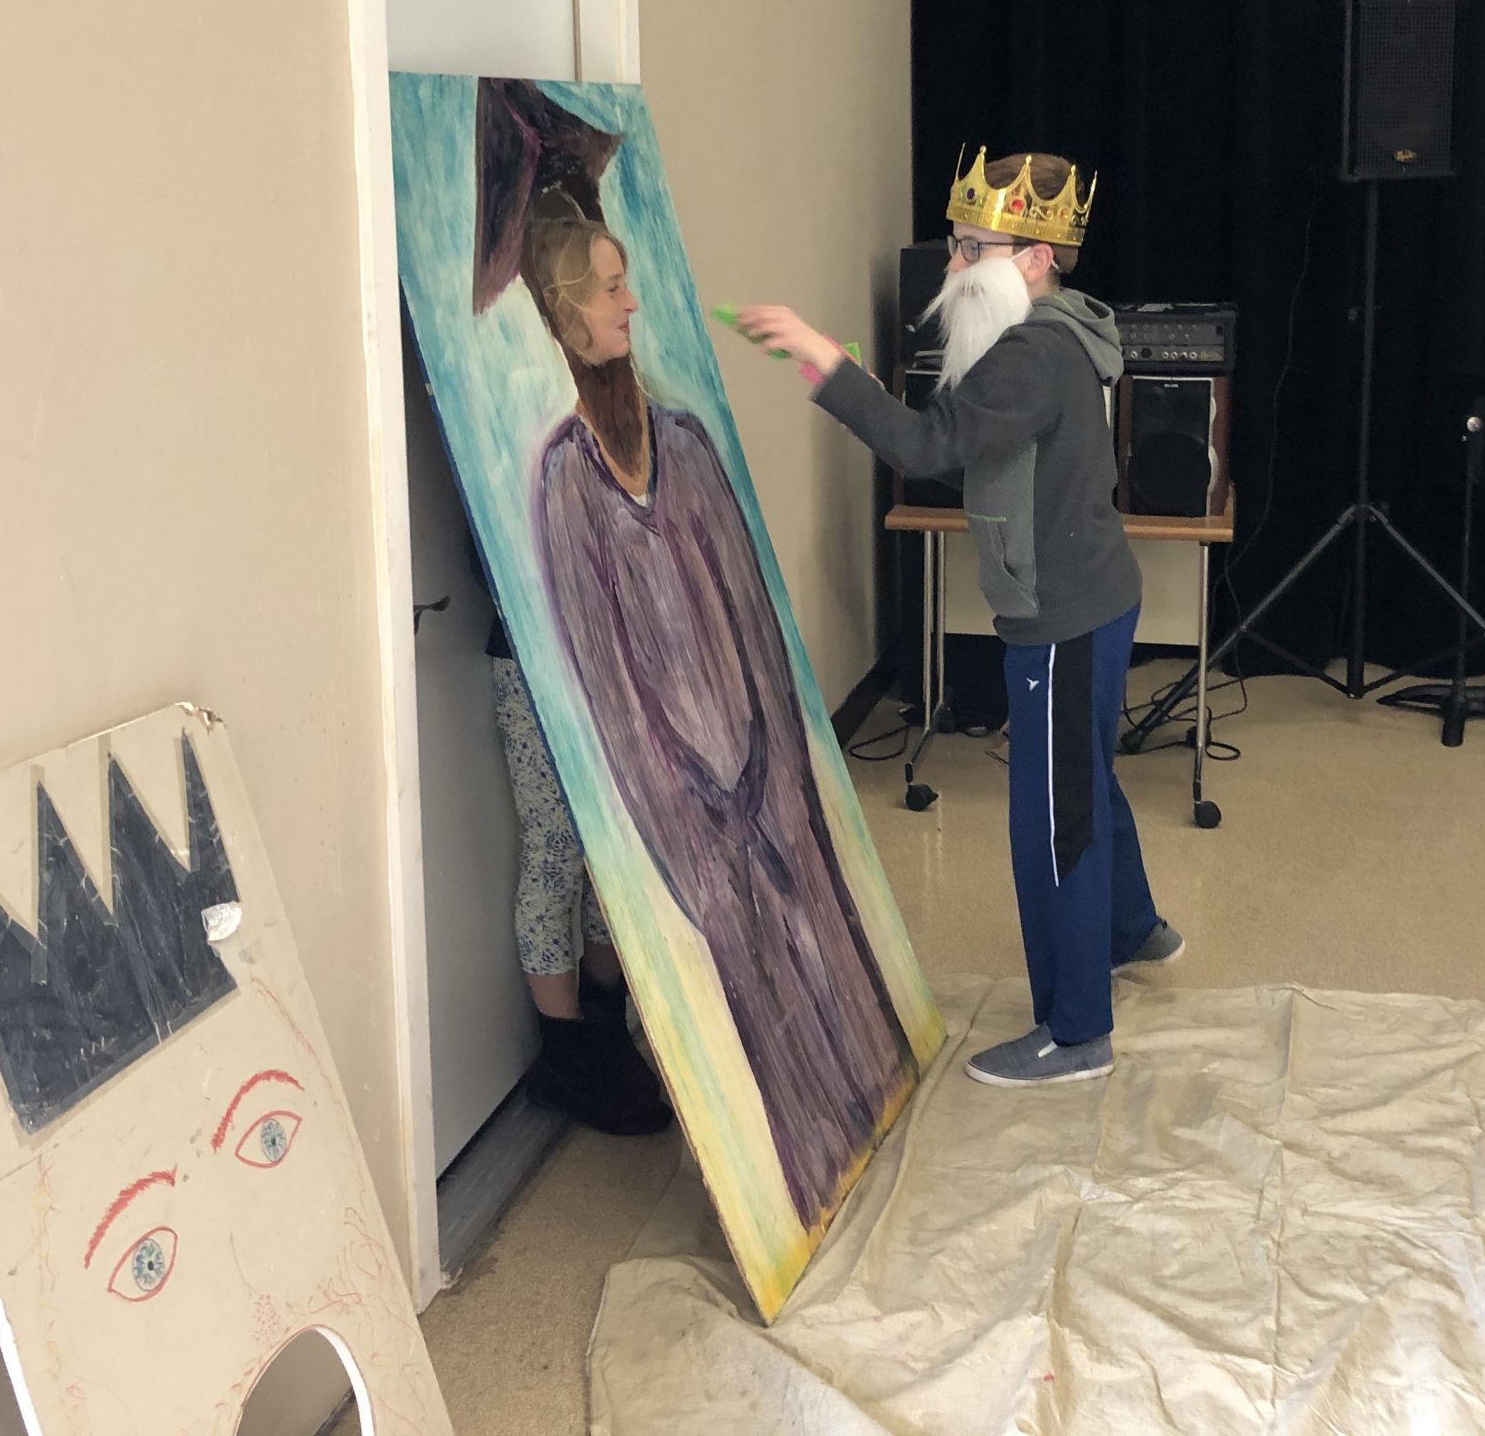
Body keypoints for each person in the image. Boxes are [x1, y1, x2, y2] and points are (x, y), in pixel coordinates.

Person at [470, 77, 917, 1224]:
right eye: (609, 288)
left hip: (751, 778)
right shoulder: (562, 484)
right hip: (594, 729)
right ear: (563, 312)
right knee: (561, 857)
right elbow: (614, 694)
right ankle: (571, 1051)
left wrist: (765, 782)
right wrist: (696, 812)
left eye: (627, 281)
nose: (632, 303)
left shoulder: (682, 446)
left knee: (786, 934)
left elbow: (751, 634)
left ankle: (624, 1020)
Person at [736, 149, 1184, 1089]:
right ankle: (1134, 927)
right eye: (956, 244)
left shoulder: (1032, 353)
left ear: (1034, 259)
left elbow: (928, 446)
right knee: (1081, 779)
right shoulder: (1064, 328)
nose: (952, 265)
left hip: (1063, 617)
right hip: (1098, 597)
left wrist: (822, 361)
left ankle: (1078, 1032)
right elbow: (967, 436)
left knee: (1053, 822)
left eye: (972, 248)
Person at [467, 531, 672, 1136]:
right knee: (556, 853)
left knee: (614, 852)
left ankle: (604, 1025)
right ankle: (569, 1059)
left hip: (622, 656)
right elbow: (491, 555)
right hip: (538, 659)